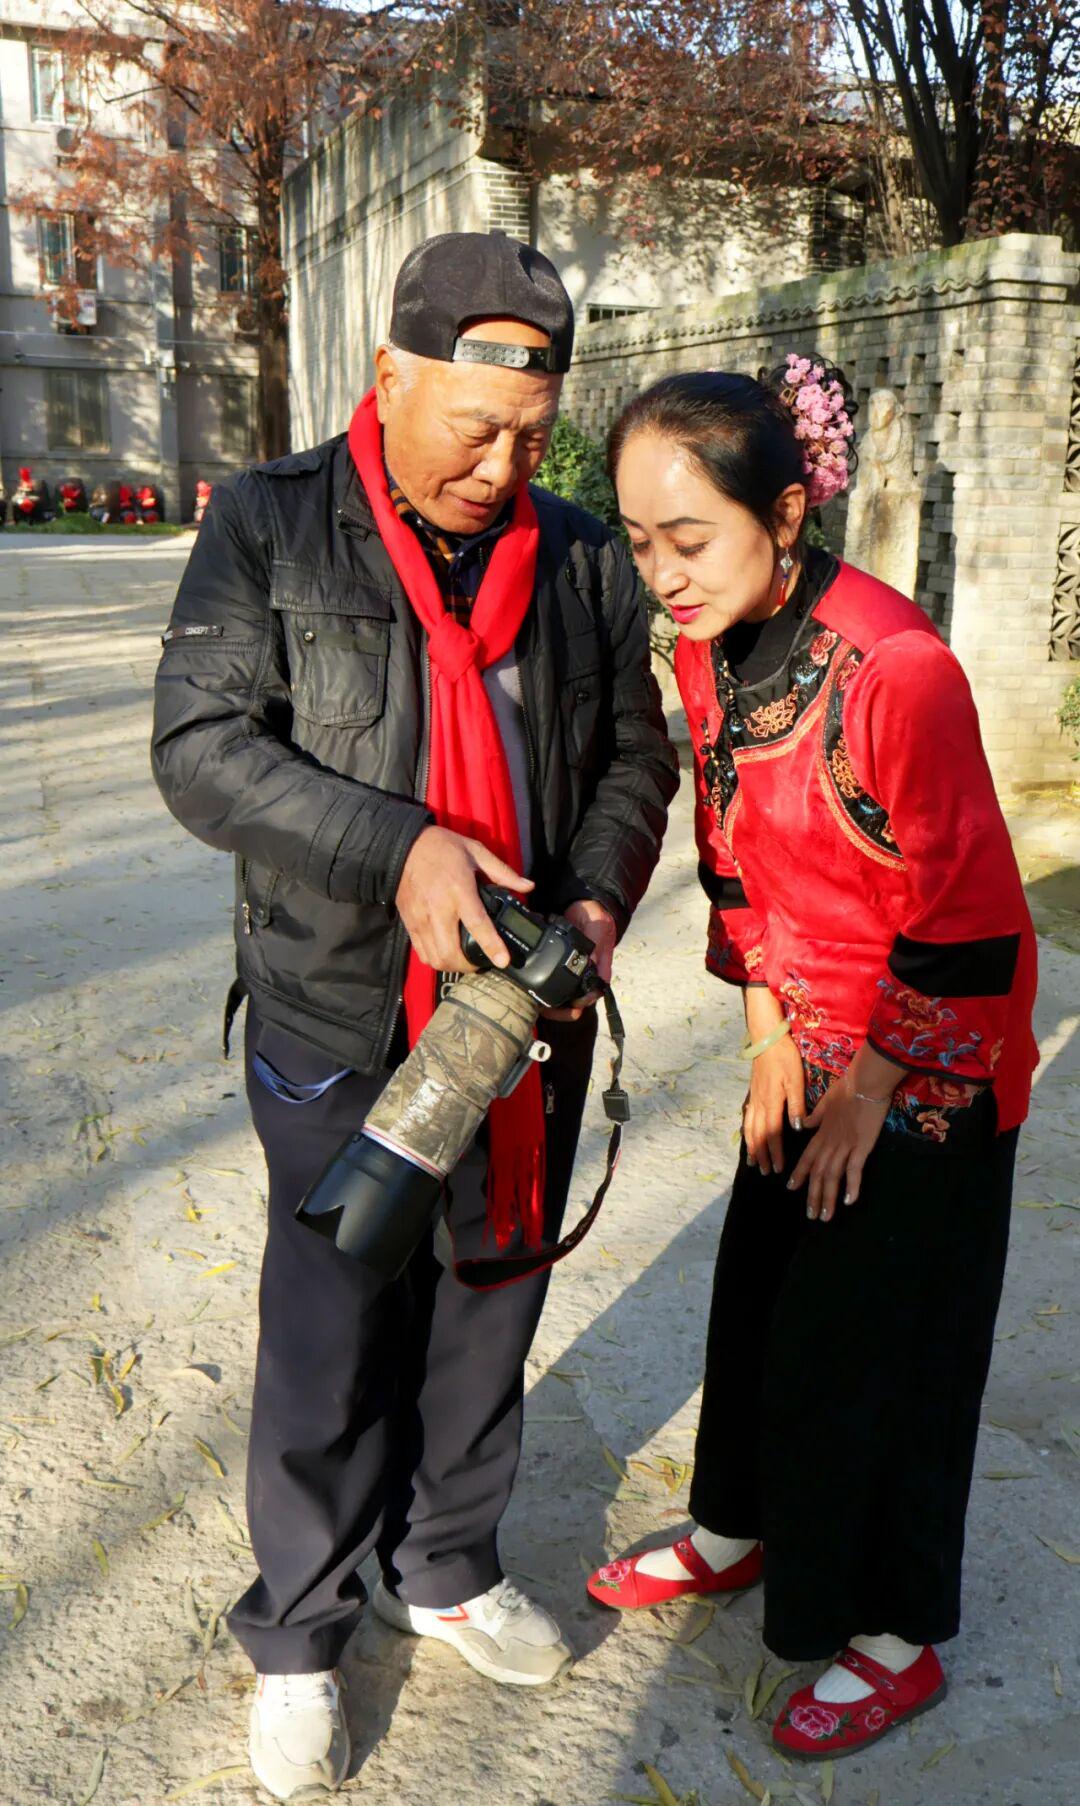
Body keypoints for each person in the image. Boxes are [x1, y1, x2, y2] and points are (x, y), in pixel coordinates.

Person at [152, 230, 678, 1800]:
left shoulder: (577, 555)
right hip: (338, 999)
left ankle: (443, 1559)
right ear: (391, 377)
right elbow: (199, 746)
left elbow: (634, 757)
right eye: (476, 428)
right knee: (330, 1322)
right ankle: (304, 1626)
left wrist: (597, 901)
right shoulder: (270, 521)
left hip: (524, 1012)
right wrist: (400, 847)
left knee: (491, 1293)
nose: (503, 469)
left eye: (532, 435)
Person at [585, 358, 1038, 1762]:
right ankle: (738, 1527)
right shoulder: (709, 644)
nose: (663, 575)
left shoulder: (900, 671)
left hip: (930, 1064)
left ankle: (895, 1635)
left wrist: (871, 1088)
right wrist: (771, 1031)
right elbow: (732, 858)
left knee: (887, 1350)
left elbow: (969, 919)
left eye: (690, 538)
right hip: (808, 1035)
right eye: (641, 542)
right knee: (759, 1300)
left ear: (786, 513)